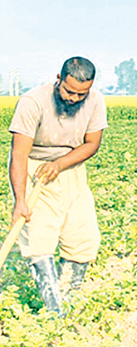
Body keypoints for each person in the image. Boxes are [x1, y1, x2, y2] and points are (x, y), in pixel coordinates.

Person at [8, 56, 107, 315]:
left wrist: (61, 164)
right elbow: (18, 154)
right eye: (69, 91)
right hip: (35, 169)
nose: (74, 98)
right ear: (58, 79)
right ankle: (55, 311)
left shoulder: (95, 101)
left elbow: (92, 144)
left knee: (83, 237)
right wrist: (21, 200)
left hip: (71, 168)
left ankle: (68, 298)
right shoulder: (32, 102)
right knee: (39, 237)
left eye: (81, 94)